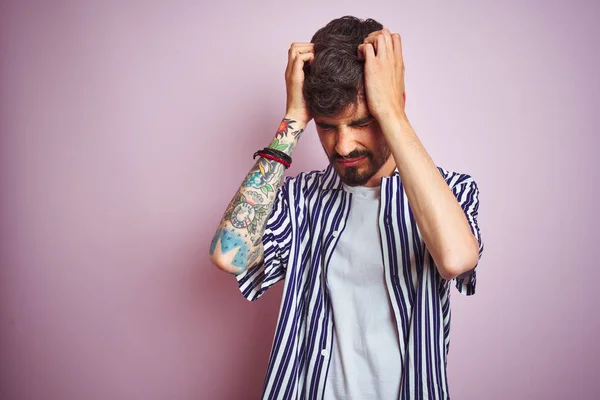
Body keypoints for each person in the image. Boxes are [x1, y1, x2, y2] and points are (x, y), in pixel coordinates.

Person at [209, 15, 484, 400]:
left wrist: (391, 112)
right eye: (327, 126)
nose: (343, 147)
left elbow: (456, 259)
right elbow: (227, 254)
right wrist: (293, 120)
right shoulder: (299, 200)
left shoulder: (453, 191)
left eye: (362, 122)